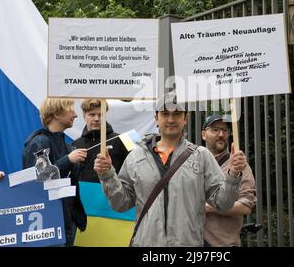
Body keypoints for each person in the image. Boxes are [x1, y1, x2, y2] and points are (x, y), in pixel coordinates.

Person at [94, 91, 247, 247]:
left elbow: (223, 203)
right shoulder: (136, 157)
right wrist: (107, 175)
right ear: (156, 118)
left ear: (185, 118)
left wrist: (233, 174)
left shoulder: (201, 156)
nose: (171, 119)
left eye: (177, 113)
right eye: (165, 113)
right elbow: (121, 203)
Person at [22, 98, 87, 246]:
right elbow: (39, 180)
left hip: (67, 220)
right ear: (57, 114)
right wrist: (68, 160)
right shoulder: (40, 142)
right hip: (48, 222)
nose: (76, 115)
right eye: (71, 109)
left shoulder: (66, 145)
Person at [201, 114, 256, 247]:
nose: (221, 134)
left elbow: (245, 206)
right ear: (204, 134)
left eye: (225, 130)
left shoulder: (239, 166)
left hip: (221, 244)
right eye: (215, 129)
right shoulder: (195, 162)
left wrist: (207, 208)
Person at [71, 99, 129, 183]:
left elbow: (135, 168)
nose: (96, 119)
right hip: (85, 194)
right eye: (92, 114)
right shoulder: (75, 144)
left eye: (100, 115)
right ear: (84, 116)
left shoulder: (125, 139)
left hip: (116, 194)